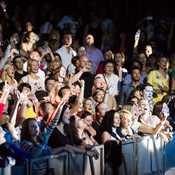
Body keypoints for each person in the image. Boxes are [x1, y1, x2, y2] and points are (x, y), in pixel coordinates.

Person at [99, 110, 126, 175]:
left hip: (118, 162)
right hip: (109, 164)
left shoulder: (118, 132)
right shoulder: (106, 133)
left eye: (119, 118)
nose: (118, 120)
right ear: (110, 119)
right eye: (116, 118)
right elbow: (106, 150)